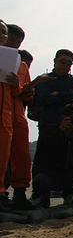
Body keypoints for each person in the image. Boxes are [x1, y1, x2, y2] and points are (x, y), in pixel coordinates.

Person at [31, 104, 73, 207]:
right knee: (40, 179)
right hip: (51, 174)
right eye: (72, 119)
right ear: (63, 117)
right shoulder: (49, 130)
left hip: (69, 175)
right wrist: (60, 130)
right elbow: (45, 146)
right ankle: (43, 199)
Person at [4, 24, 34, 210]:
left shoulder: (21, 65)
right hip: (3, 113)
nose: (15, 45)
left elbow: (25, 94)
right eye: (12, 40)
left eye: (18, 42)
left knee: (22, 155)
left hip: (17, 115)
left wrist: (23, 88)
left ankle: (20, 192)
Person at [0, 21, 23, 211]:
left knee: (3, 158)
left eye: (4, 33)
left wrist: (16, 83)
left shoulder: (16, 61)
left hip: (5, 117)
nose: (3, 36)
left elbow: (18, 94)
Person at [35, 49, 73, 130]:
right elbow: (44, 99)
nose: (65, 65)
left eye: (69, 63)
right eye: (63, 62)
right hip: (48, 124)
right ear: (55, 61)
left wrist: (58, 94)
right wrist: (69, 94)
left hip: (70, 125)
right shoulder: (44, 79)